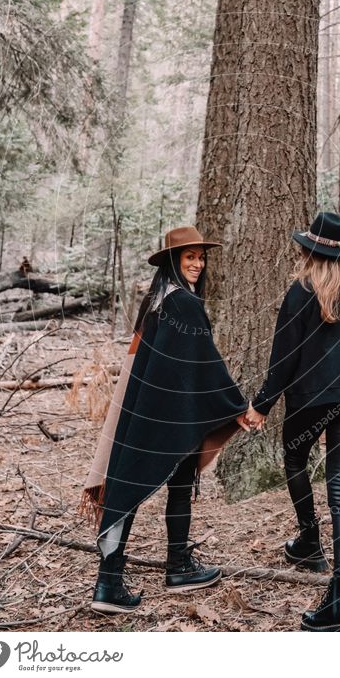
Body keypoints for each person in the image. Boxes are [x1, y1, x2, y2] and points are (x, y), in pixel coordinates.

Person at [82, 226, 249, 614]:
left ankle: (173, 567)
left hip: (156, 408)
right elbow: (206, 362)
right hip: (168, 413)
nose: (197, 264)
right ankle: (113, 582)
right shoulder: (181, 304)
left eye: (201, 257)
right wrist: (235, 405)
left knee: (158, 478)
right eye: (189, 257)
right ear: (174, 261)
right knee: (140, 481)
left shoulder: (158, 300)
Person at [246, 212, 340, 632]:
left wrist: (262, 404)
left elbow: (283, 357)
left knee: (295, 463)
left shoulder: (301, 293)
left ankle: (310, 540)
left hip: (310, 403)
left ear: (308, 252)